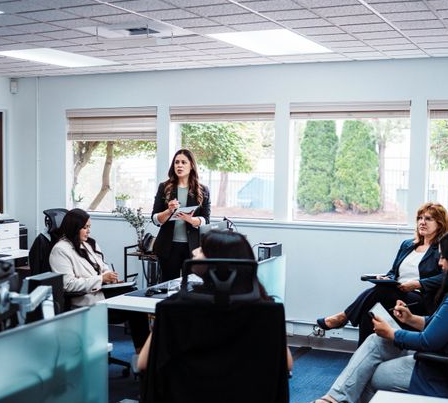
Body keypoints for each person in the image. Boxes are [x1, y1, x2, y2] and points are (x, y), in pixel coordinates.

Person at [293, 229, 448, 403]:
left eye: (443, 258)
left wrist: (393, 333)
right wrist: (410, 318)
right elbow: (437, 324)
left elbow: (427, 341)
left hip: (441, 369)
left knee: (367, 373)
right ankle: (332, 402)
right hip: (446, 359)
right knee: (375, 340)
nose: (440, 263)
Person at [137, 230, 293, 372]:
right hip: (247, 400)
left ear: (219, 261)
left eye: (202, 249)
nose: (194, 251)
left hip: (187, 399)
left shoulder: (174, 306)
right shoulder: (266, 308)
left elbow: (143, 363)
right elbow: (287, 364)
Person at [316, 202, 448, 345]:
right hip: (395, 292)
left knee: (380, 292)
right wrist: (387, 278)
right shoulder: (408, 245)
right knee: (369, 308)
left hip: (420, 298)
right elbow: (394, 272)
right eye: (420, 218)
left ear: (440, 224)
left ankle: (343, 317)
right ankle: (362, 352)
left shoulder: (442, 249)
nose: (422, 222)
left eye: (428, 219)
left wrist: (418, 284)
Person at [49, 208, 150, 350]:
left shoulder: (88, 244)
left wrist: (110, 277)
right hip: (86, 300)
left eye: (89, 227)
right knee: (135, 308)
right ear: (74, 228)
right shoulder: (60, 250)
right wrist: (101, 279)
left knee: (134, 296)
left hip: (101, 292)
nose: (88, 231)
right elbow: (68, 285)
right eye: (85, 228)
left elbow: (103, 266)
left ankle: (144, 355)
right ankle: (143, 357)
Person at [151, 149, 211, 282]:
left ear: (192, 166)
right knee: (168, 286)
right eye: (176, 162)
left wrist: (191, 219)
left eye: (184, 162)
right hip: (168, 247)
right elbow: (155, 219)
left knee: (191, 286)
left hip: (193, 248)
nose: (179, 165)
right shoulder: (164, 187)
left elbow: (206, 220)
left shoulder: (202, 190)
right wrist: (169, 211)